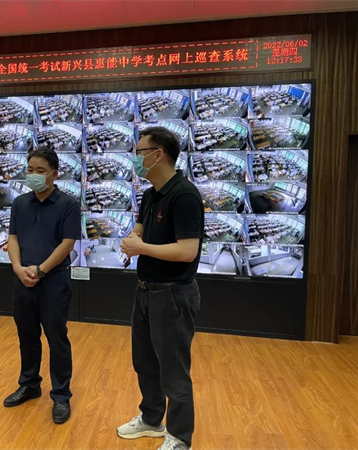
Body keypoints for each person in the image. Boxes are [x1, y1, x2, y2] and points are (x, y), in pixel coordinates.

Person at [117, 127, 203, 450]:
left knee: (174, 371)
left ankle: (180, 437)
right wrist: (132, 240)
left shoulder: (185, 195)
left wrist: (141, 248)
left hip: (173, 294)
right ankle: (152, 419)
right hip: (145, 291)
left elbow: (187, 251)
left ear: (158, 155)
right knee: (145, 362)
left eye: (139, 152)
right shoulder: (150, 194)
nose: (136, 159)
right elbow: (140, 230)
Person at [4, 149, 80, 424]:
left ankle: (61, 395)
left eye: (40, 171)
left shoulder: (69, 204)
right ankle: (29, 384)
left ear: (54, 174)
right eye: (30, 169)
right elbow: (13, 238)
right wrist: (17, 267)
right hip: (23, 279)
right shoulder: (20, 203)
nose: (33, 175)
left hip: (53, 281)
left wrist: (41, 270)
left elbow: (67, 243)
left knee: (56, 338)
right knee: (26, 335)